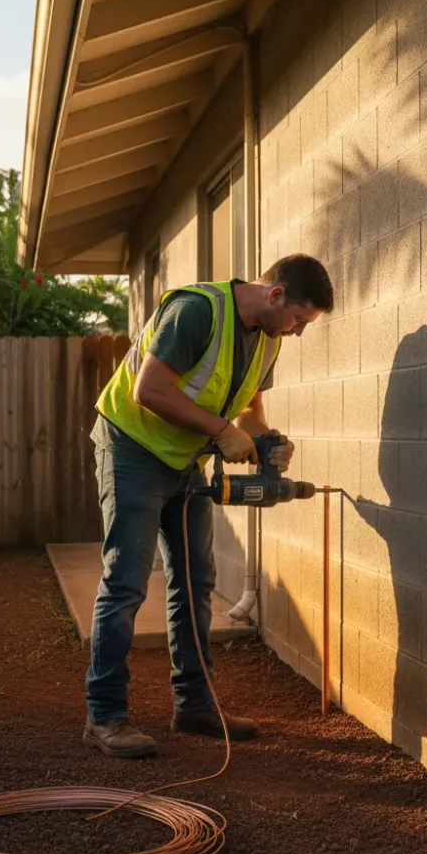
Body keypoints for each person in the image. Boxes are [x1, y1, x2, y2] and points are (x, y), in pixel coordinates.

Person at [83, 254, 334, 758]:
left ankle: (194, 705)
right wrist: (221, 432)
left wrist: (268, 445)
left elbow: (249, 412)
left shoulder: (268, 337)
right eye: (300, 320)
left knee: (196, 581)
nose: (299, 332)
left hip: (184, 461)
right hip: (132, 448)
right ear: (276, 294)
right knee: (127, 583)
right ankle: (104, 717)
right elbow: (148, 389)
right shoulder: (198, 311)